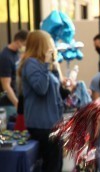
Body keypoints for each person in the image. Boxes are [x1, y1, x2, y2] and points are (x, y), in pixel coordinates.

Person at [17, 30, 66, 172]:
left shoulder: (42, 65)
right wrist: (46, 64)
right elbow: (41, 88)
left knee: (56, 164)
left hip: (52, 123)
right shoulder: (31, 64)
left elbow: (56, 90)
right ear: (41, 45)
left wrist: (54, 67)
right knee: (51, 166)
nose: (51, 47)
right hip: (42, 124)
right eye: (49, 44)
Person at [0, 30, 28, 118]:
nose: (25, 47)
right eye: (25, 44)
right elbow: (6, 85)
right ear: (18, 41)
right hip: (9, 103)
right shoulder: (5, 56)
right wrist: (16, 103)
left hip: (16, 100)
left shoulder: (16, 54)